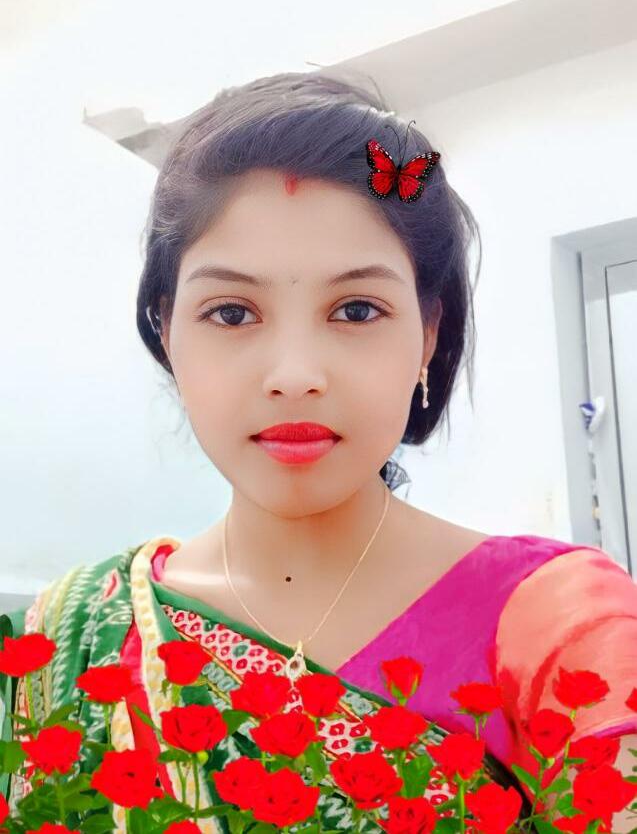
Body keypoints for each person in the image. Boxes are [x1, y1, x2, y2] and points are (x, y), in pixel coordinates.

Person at [2, 71, 637, 832]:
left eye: (357, 309)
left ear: (427, 336)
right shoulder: (68, 634)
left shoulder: (562, 625)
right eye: (231, 312)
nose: (295, 375)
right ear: (167, 333)